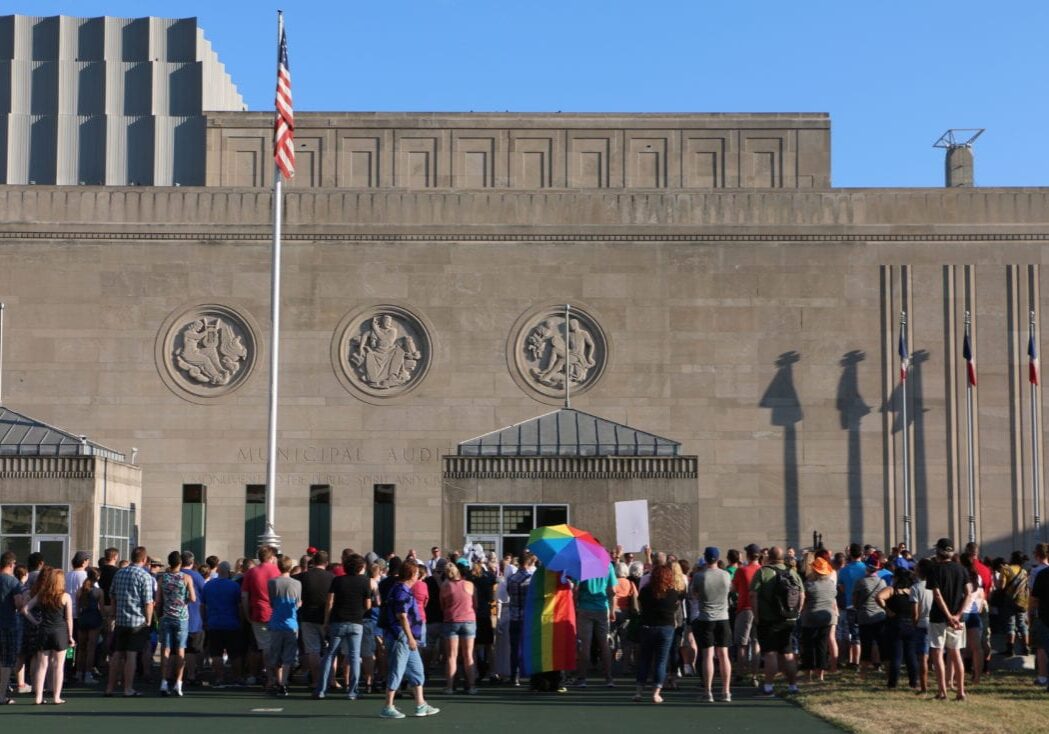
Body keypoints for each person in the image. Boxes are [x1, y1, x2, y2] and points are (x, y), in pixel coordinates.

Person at [379, 559, 439, 719]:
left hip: (407, 638)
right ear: (412, 574)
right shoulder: (401, 591)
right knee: (397, 670)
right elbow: (402, 616)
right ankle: (388, 706)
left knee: (417, 671)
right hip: (401, 637)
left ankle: (421, 704)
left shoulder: (403, 589)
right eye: (417, 574)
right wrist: (410, 637)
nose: (419, 577)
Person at [316, 553, 371, 699]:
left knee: (330, 655)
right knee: (354, 656)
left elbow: (329, 602)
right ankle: (352, 691)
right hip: (356, 622)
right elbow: (368, 605)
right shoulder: (365, 581)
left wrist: (326, 621)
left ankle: (321, 690)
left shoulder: (337, 580)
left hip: (338, 621)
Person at [751, 546, 804, 697]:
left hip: (768, 619)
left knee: (770, 653)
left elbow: (753, 595)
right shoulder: (792, 572)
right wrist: (797, 612)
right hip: (788, 618)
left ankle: (768, 687)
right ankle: (792, 686)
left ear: (769, 557)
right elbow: (802, 594)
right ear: (782, 557)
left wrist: (756, 615)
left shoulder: (763, 572)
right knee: (788, 653)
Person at [926, 538, 973, 701]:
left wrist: (948, 616)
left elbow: (937, 595)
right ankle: (961, 691)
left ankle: (942, 692)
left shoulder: (934, 569)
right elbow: (969, 593)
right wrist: (958, 615)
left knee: (937, 653)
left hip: (939, 617)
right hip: (957, 618)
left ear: (938, 551)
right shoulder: (962, 569)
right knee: (956, 653)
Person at [105, 546, 155, 697]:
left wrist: (114, 613)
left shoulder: (119, 573)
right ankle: (128, 688)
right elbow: (148, 602)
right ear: (144, 559)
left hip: (121, 620)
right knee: (131, 655)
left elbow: (112, 595)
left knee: (117, 654)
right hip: (137, 621)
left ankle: (109, 688)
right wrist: (149, 620)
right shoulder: (144, 576)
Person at [21, 567, 74, 704]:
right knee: (58, 666)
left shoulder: (42, 595)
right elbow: (69, 618)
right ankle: (56, 697)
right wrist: (71, 636)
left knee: (42, 665)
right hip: (60, 632)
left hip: (44, 630)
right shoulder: (65, 596)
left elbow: (25, 609)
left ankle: (38, 697)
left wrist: (36, 622)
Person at [690, 547, 732, 702]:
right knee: (724, 655)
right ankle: (726, 691)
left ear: (706, 559)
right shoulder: (726, 575)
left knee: (708, 655)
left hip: (706, 618)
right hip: (723, 617)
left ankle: (708, 692)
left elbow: (694, 594)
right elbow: (730, 590)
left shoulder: (699, 576)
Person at [634, 564, 680, 703]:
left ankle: (639, 692)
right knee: (661, 661)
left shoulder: (645, 591)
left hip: (647, 626)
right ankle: (656, 693)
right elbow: (675, 609)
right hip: (666, 627)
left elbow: (640, 607)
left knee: (644, 660)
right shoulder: (673, 593)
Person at [157, 550, 196, 696]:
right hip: (181, 617)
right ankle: (178, 683)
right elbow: (193, 598)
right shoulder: (186, 578)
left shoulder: (162, 578)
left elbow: (158, 600)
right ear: (180, 563)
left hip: (167, 616)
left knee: (165, 650)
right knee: (180, 650)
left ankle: (164, 681)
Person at [241, 546, 280, 689]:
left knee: (265, 647)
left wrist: (247, 614)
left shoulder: (251, 572)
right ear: (271, 557)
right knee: (275, 646)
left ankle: (270, 677)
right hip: (276, 613)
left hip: (258, 613)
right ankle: (277, 677)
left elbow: (244, 596)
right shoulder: (277, 571)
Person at [200, 561, 244, 687]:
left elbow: (202, 605)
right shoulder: (234, 586)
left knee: (216, 653)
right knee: (235, 653)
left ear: (218, 571)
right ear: (229, 572)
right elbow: (240, 605)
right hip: (232, 623)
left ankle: (220, 677)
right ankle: (237, 677)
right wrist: (241, 620)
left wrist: (204, 621)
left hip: (214, 623)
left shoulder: (208, 586)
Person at [574, 559, 616, 688]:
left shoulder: (583, 565)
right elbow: (612, 590)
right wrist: (612, 609)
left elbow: (576, 589)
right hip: (602, 608)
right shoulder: (608, 565)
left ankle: (582, 678)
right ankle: (608, 678)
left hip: (585, 608)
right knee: (604, 644)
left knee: (585, 645)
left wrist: (575, 606)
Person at [295, 550, 334, 688]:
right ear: (326, 563)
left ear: (313, 562)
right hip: (326, 618)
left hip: (307, 617)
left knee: (313, 650)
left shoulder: (303, 577)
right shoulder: (332, 577)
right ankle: (331, 679)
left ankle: (317, 680)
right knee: (330, 650)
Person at [440, 561, 477, 694]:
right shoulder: (470, 585)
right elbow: (475, 604)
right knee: (469, 656)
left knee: (451, 656)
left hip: (451, 620)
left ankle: (450, 687)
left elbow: (442, 606)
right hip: (469, 620)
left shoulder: (444, 587)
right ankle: (472, 686)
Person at [266, 555, 301, 697]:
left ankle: (277, 681)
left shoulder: (272, 583)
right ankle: (283, 683)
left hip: (276, 622)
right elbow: (297, 603)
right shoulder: (297, 583)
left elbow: (271, 602)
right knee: (288, 656)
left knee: (275, 655)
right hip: (291, 623)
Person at [799, 552, 837, 682]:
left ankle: (807, 675)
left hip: (810, 618)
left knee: (808, 646)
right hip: (827, 618)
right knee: (822, 646)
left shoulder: (809, 585)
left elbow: (803, 601)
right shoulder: (831, 585)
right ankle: (820, 675)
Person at [878, 566, 918, 689]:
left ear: (896, 578)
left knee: (896, 655)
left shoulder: (892, 590)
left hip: (895, 623)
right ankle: (913, 682)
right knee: (911, 655)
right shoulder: (911, 591)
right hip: (910, 623)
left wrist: (887, 609)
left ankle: (893, 683)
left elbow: (878, 597)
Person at [732, 543, 762, 685]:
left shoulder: (742, 571)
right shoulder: (763, 570)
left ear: (748, 555)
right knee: (756, 643)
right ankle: (754, 676)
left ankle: (740, 674)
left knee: (742, 644)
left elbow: (734, 588)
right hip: (760, 610)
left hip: (744, 609)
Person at [853, 555, 887, 678]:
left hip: (865, 616)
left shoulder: (861, 582)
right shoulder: (882, 582)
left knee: (866, 644)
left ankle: (863, 673)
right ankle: (882, 668)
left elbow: (855, 601)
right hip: (880, 616)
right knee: (880, 643)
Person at [506, 554, 536, 687]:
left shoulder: (511, 578)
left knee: (514, 648)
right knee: (529, 648)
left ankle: (514, 676)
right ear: (529, 563)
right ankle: (531, 676)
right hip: (527, 618)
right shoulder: (531, 579)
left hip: (514, 616)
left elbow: (508, 593)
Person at [178, 551, 207, 685]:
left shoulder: (174, 575)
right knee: (193, 648)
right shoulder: (196, 576)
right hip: (194, 617)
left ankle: (175, 675)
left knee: (176, 648)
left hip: (177, 616)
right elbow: (205, 594)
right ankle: (192, 674)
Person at [837, 543, 867, 668]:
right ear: (862, 554)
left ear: (850, 554)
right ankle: (868, 660)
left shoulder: (843, 570)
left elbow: (842, 588)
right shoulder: (866, 568)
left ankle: (855, 661)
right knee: (866, 634)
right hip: (866, 605)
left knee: (854, 634)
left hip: (850, 604)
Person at [0, 551, 24, 705]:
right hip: (7, 624)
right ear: (11, 564)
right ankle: (1, 695)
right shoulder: (13, 582)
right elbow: (19, 604)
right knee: (6, 662)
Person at [997, 550, 1030, 656]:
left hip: (1009, 600)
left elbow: (1001, 586)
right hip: (1022, 601)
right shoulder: (1024, 571)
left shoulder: (1005, 569)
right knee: (1022, 624)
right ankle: (1026, 647)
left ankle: (1010, 649)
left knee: (1010, 624)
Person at [75, 568, 104, 684]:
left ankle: (78, 673)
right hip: (94, 618)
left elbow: (77, 607)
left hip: (82, 618)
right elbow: (101, 608)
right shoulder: (99, 591)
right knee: (91, 648)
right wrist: (104, 620)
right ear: (97, 577)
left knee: (81, 648)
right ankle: (87, 674)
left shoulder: (80, 590)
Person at [1029, 548, 1049, 691]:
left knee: (1042, 647)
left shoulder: (1041, 574)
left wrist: (1030, 615)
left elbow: (1034, 599)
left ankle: (1043, 676)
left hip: (1044, 616)